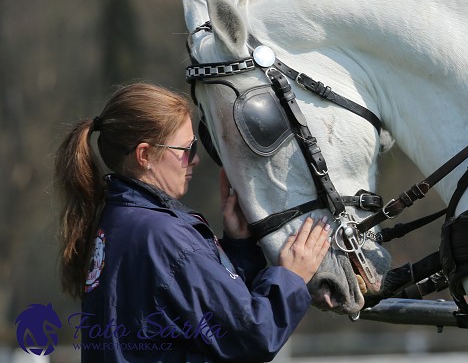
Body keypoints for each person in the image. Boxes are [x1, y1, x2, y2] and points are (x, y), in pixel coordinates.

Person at [56, 82, 329, 362]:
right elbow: (252, 334)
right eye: (187, 149)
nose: (195, 159)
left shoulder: (116, 219)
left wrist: (240, 247)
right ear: (145, 155)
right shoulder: (162, 236)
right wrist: (291, 277)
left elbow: (203, 316)